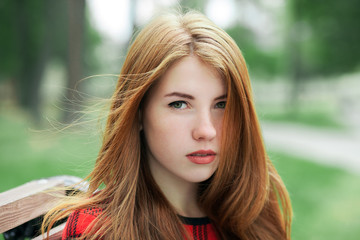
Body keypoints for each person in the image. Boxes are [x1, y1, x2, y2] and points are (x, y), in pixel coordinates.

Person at [42, 10, 292, 240]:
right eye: (179, 104)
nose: (206, 130)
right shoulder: (99, 230)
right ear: (138, 113)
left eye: (222, 105)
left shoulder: (255, 218)